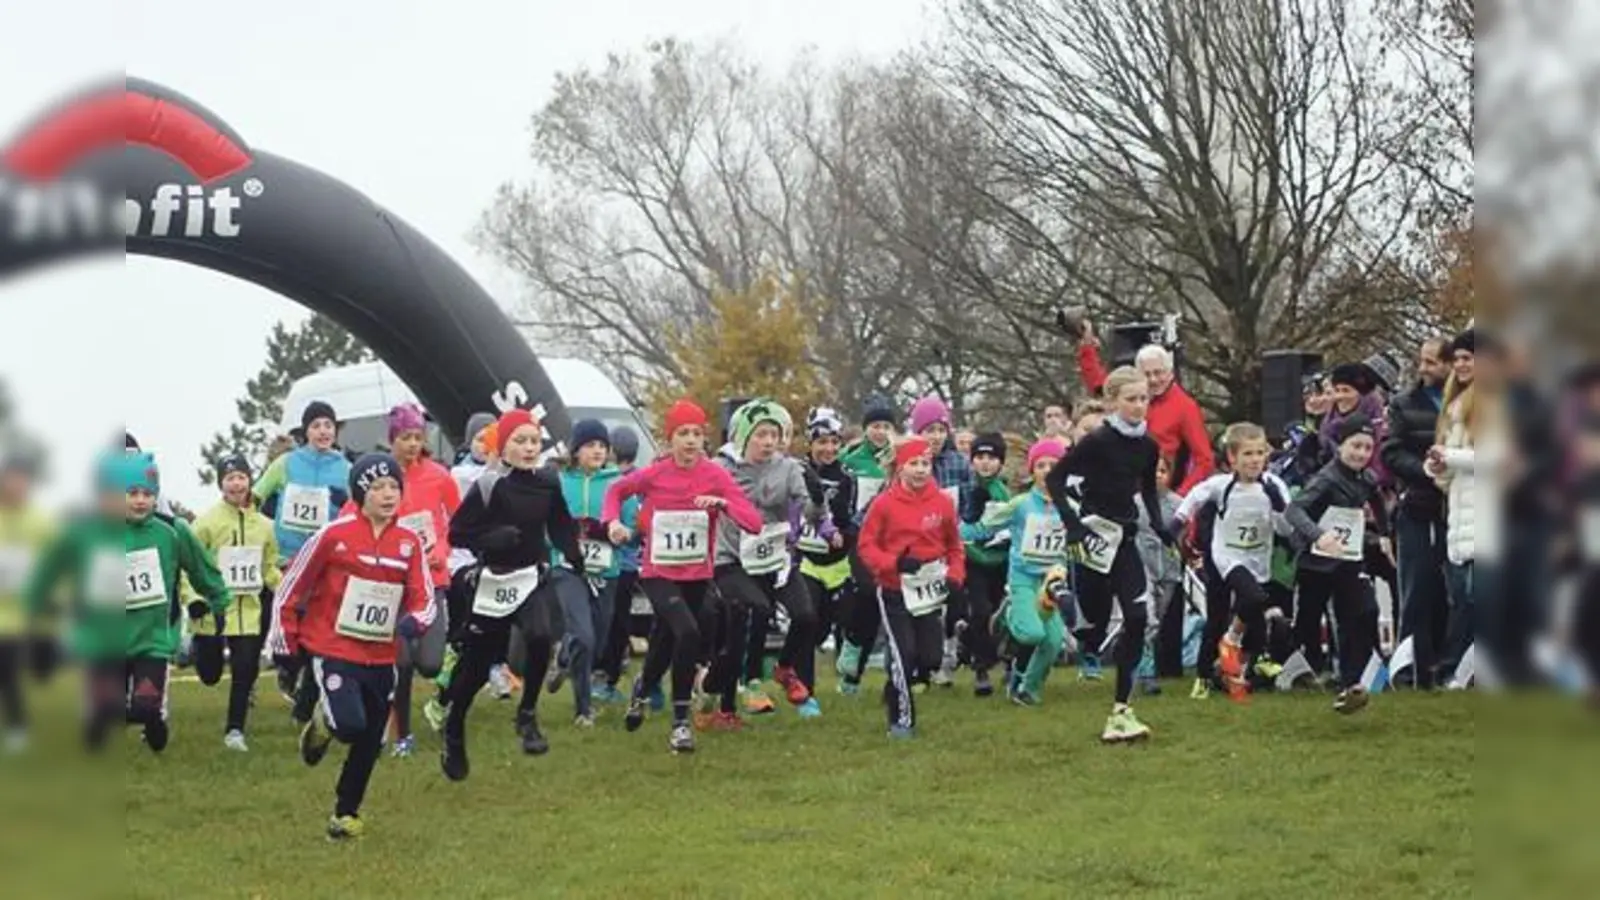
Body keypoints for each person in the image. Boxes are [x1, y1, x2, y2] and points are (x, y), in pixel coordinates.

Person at [268, 453, 437, 840]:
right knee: (349, 724)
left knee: (371, 739)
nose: (387, 494)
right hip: (334, 649)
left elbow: (424, 596)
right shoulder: (333, 535)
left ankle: (346, 813)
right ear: (361, 493)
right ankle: (323, 725)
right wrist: (284, 639)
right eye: (378, 487)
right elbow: (291, 588)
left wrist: (415, 622)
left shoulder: (409, 541)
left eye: (394, 486)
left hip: (382, 654)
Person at [602, 399, 762, 753]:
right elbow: (616, 491)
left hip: (696, 574)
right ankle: (679, 724)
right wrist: (612, 521)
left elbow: (753, 521)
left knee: (664, 643)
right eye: (682, 434)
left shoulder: (715, 475)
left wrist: (723, 505)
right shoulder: (655, 474)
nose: (690, 441)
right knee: (688, 632)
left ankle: (641, 690)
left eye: (696, 433)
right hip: (658, 572)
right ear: (670, 439)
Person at [441, 409, 584, 777]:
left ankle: (527, 714)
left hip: (530, 576)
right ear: (503, 447)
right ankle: (454, 727)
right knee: (475, 668)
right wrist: (492, 538)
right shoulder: (489, 484)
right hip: (493, 580)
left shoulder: (548, 481)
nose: (528, 448)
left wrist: (573, 553)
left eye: (534, 441)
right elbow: (457, 534)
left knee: (540, 636)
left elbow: (560, 523)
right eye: (519, 441)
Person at [1045, 366, 1172, 743]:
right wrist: (1073, 524)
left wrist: (1161, 526)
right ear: (1113, 402)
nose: (1138, 406)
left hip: (1126, 538)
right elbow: (1055, 478)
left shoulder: (1148, 446)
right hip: (1094, 539)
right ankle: (1059, 594)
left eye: (1143, 399)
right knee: (1092, 631)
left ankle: (1121, 711)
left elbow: (1148, 489)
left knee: (1136, 618)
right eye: (1130, 399)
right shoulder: (1097, 441)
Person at [1171, 424, 1326, 702]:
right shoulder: (1223, 486)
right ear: (1232, 458)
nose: (1255, 460)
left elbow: (1285, 530)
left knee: (1254, 612)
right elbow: (1195, 496)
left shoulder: (1274, 485)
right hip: (1225, 558)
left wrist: (1279, 507)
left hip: (1257, 557)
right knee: (1223, 613)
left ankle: (1251, 663)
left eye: (1259, 453)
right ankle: (1206, 673)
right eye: (1247, 454)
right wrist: (1177, 522)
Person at [712, 400, 826, 724]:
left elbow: (811, 514)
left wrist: (817, 500)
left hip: (776, 558)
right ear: (744, 437)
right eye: (761, 434)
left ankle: (784, 668)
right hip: (733, 558)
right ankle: (737, 696)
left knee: (805, 617)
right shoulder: (721, 468)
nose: (768, 442)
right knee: (752, 615)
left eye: (774, 435)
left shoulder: (788, 468)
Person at [855, 436, 966, 738]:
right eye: (913, 464)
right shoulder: (884, 504)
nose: (920, 470)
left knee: (929, 658)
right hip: (893, 590)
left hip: (928, 592)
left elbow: (955, 546)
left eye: (925, 464)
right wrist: (893, 563)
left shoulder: (942, 502)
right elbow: (866, 547)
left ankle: (895, 686)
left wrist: (955, 576)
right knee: (902, 654)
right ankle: (901, 722)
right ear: (900, 468)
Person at [123, 452, 234, 752]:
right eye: (132, 493)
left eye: (148, 494)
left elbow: (201, 568)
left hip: (154, 637)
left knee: (144, 707)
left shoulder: (173, 530)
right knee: (106, 710)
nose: (140, 501)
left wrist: (218, 598)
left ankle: (154, 721)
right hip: (109, 637)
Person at [370, 403, 458, 758]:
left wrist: (443, 547)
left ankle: (429, 703)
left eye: (418, 437)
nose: (411, 444)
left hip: (432, 580)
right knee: (401, 662)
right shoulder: (380, 478)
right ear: (392, 440)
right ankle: (401, 734)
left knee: (431, 663)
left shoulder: (439, 475)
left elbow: (460, 520)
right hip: (393, 585)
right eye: (405, 437)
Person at [254, 401, 351, 713]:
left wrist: (347, 500)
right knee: (286, 620)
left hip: (327, 558)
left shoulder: (345, 467)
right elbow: (257, 495)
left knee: (320, 627)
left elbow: (360, 505)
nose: (323, 431)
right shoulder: (286, 464)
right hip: (288, 557)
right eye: (316, 426)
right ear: (305, 431)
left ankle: (307, 695)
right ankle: (287, 668)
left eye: (328, 425)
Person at [1291, 414, 1389, 713]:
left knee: (1364, 611)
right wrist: (1318, 537)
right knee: (1309, 618)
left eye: (1367, 448)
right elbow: (1294, 511)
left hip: (1347, 559)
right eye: (1355, 446)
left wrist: (1384, 536)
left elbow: (1378, 502)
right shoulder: (1326, 478)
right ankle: (1295, 667)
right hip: (1317, 561)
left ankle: (1351, 682)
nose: (1361, 454)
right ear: (1340, 445)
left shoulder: (1367, 478)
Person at [185, 453, 282, 751]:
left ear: (250, 480)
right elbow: (189, 568)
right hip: (213, 609)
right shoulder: (205, 523)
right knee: (211, 674)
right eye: (229, 478)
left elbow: (269, 566)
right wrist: (193, 599)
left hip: (248, 610)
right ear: (220, 484)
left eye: (241, 476)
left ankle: (235, 731)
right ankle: (197, 647)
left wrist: (285, 588)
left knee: (245, 667)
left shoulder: (265, 526)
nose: (236, 483)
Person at [976, 438, 1070, 705]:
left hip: (1051, 582)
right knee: (1032, 633)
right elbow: (986, 525)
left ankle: (1027, 688)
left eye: (1054, 465)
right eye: (1041, 465)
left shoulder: (1069, 508)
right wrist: (959, 532)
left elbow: (1085, 535)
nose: (1048, 470)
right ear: (1032, 471)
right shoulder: (1021, 504)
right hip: (1023, 578)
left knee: (1052, 642)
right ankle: (1007, 617)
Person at [552, 418, 632, 727]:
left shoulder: (617, 483)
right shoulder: (560, 482)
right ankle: (583, 710)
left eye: (602, 445)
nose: (597, 451)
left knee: (596, 642)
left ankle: (563, 657)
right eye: (590, 445)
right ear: (575, 450)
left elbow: (632, 522)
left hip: (606, 569)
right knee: (584, 636)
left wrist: (625, 532)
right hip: (568, 568)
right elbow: (549, 525)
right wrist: (564, 539)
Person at [1381, 337, 1452, 688]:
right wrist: (1423, 470)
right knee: (1416, 586)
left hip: (1458, 507)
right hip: (1418, 505)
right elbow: (1391, 452)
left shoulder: (1467, 403)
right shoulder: (1403, 405)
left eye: (1432, 362)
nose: (1423, 369)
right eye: (1422, 361)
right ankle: (1408, 668)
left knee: (1453, 590)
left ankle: (1447, 664)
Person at [1073, 321, 1214, 492]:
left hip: (1163, 490)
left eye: (1158, 372)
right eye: (1147, 374)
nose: (1154, 380)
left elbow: (1204, 460)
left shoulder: (1185, 406)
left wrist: (1181, 497)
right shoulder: (1129, 395)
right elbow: (1100, 385)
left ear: (1170, 373)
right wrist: (1087, 347)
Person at [906, 395, 974, 687]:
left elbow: (969, 503)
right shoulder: (910, 463)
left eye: (940, 430)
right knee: (923, 610)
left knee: (952, 603)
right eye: (928, 430)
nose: (935, 437)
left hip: (949, 545)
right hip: (916, 549)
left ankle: (947, 658)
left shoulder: (958, 464)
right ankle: (919, 667)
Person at [836, 395, 899, 694]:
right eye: (875, 425)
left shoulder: (898, 459)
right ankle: (851, 648)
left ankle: (858, 675)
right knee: (865, 595)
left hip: (891, 541)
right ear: (865, 429)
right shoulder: (850, 461)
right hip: (860, 539)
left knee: (882, 605)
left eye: (886, 425)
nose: (880, 431)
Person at [797, 408, 858, 703]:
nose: (829, 449)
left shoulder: (847, 478)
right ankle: (806, 694)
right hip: (805, 561)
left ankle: (847, 665)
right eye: (822, 442)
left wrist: (840, 535)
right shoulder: (796, 472)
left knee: (842, 620)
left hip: (838, 564)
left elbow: (851, 523)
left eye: (835, 442)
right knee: (808, 624)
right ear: (810, 442)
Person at [1426, 328, 1477, 680]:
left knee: (1480, 598)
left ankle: (1463, 670)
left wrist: (1452, 457)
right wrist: (1436, 464)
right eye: (1456, 358)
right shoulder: (1454, 407)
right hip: (1460, 512)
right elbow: (1449, 471)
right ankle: (1460, 671)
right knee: (1462, 598)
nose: (1460, 364)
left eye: (1467, 358)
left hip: (1492, 514)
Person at [0, 447, 53, 753]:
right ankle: (17, 725)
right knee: (5, 665)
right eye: (11, 479)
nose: (16, 485)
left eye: (21, 480)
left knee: (41, 669)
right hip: (4, 613)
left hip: (38, 613)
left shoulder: (40, 522)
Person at [595, 425, 646, 705]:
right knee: (619, 622)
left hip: (612, 561)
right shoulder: (643, 479)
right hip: (629, 563)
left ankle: (602, 674)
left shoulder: (612, 481)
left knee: (606, 620)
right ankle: (608, 677)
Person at [957, 432, 1012, 697]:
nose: (985, 463)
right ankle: (982, 668)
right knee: (981, 610)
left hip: (1001, 561)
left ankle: (971, 641)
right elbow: (965, 526)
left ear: (1001, 462)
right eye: (980, 457)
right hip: (974, 560)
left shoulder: (1005, 491)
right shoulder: (967, 487)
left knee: (1001, 614)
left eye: (991, 457)